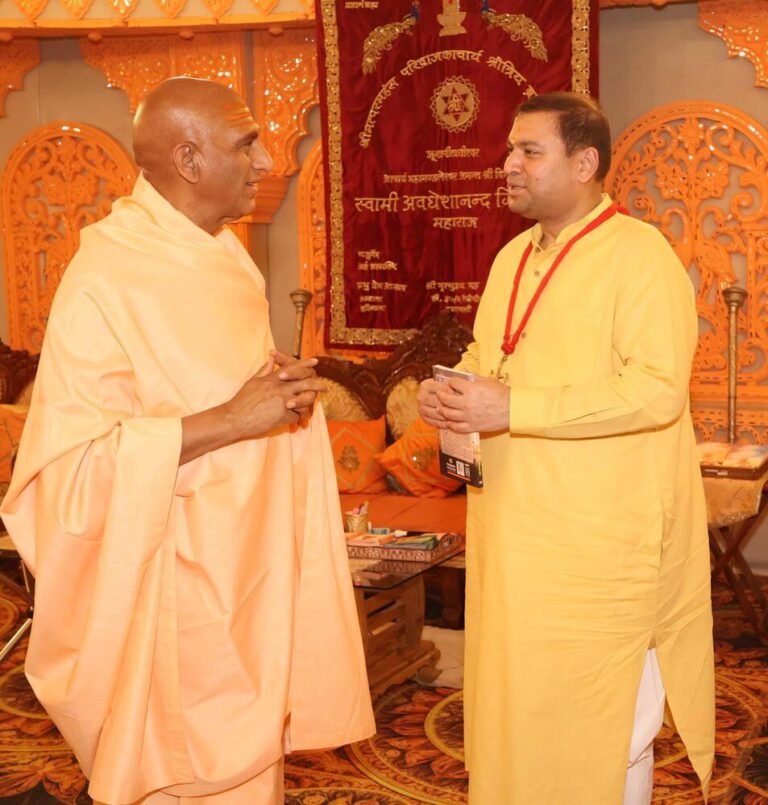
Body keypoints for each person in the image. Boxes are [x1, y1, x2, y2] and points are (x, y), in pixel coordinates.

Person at [0, 77, 375, 804]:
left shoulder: (225, 256)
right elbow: (67, 473)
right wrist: (231, 420)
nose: (267, 160)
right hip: (171, 585)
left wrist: (280, 393)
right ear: (190, 158)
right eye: (247, 144)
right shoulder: (105, 277)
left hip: (248, 565)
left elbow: (227, 389)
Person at [418, 92, 714, 804]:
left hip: (601, 547)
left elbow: (656, 392)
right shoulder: (513, 257)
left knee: (609, 719)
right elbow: (494, 359)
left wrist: (516, 407)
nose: (508, 165)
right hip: (518, 538)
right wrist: (453, 394)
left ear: (586, 163)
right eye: (509, 150)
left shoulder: (640, 255)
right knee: (523, 707)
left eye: (529, 151)